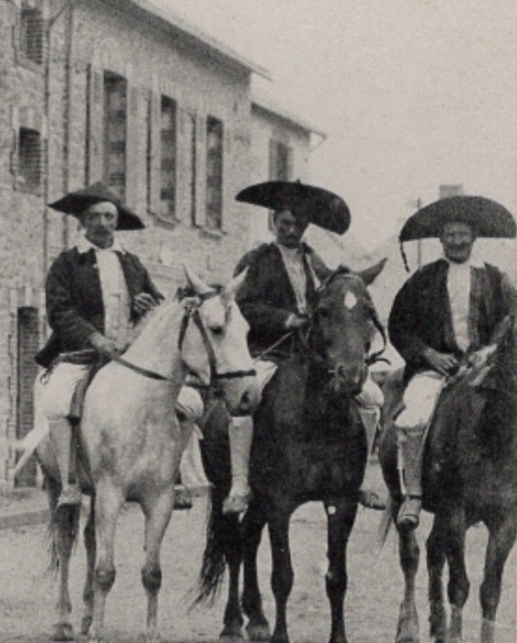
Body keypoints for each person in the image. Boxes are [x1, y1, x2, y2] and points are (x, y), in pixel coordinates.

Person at [35, 182, 204, 508]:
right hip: (81, 356)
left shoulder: (131, 263)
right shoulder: (67, 263)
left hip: (131, 361)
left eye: (109, 216)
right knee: (57, 402)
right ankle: (69, 483)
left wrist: (148, 305)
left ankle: (173, 474)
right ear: (82, 221)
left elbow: (160, 311)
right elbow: (59, 311)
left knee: (190, 403)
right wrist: (93, 337)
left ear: (117, 220)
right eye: (95, 216)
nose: (102, 223)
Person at [224, 180, 384, 515]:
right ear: (274, 223)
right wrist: (286, 320)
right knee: (246, 400)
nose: (292, 231)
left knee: (371, 396)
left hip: (314, 358)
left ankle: (357, 477)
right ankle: (240, 483)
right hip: (270, 352)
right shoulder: (257, 259)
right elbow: (243, 307)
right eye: (285, 223)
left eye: (299, 225)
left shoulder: (318, 263)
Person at [388, 193, 517, 532]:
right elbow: (399, 325)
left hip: (484, 370)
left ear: (474, 237)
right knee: (414, 414)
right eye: (450, 234)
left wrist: (488, 350)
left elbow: (512, 317)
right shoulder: (423, 279)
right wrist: (429, 354)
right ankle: (414, 494)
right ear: (441, 239)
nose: (457, 240)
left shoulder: (495, 277)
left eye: (463, 234)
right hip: (435, 370)